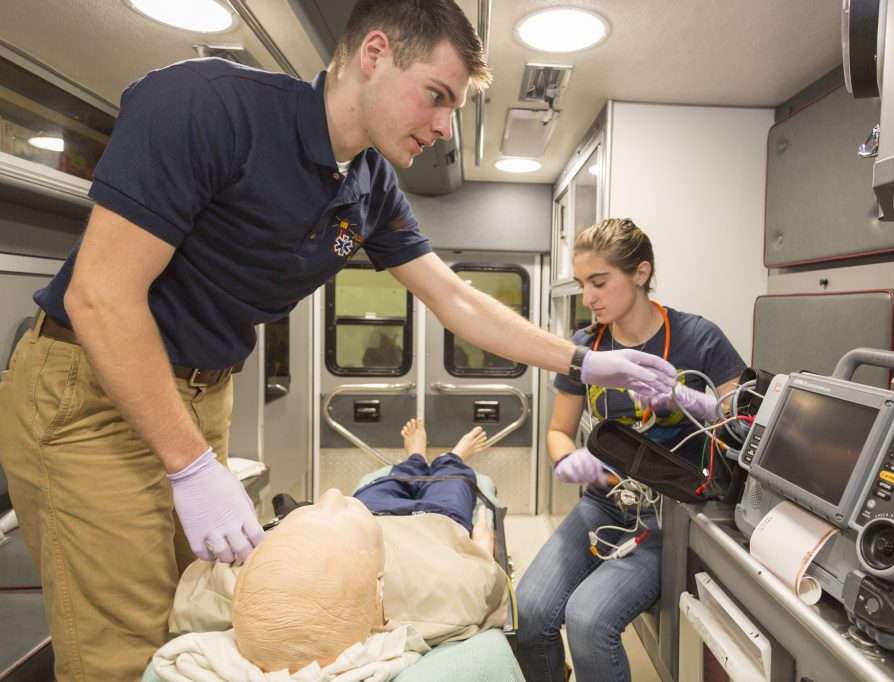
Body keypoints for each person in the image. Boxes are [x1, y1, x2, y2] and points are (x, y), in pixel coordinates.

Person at [0, 1, 679, 678]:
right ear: (374, 54)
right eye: (436, 97)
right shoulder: (206, 107)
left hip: (204, 391)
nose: (444, 128)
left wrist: (589, 360)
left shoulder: (369, 186)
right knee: (121, 651)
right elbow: (102, 296)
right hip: (90, 384)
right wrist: (191, 467)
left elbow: (455, 298)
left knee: (193, 620)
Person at [514, 218, 747, 682]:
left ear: (640, 273)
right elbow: (558, 430)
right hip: (606, 500)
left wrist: (687, 399)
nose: (588, 298)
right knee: (531, 612)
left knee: (587, 620)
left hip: (671, 515)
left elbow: (744, 429)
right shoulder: (587, 347)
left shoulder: (697, 338)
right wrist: (567, 459)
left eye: (599, 282)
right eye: (582, 284)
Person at [150, 420, 512, 680]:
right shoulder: (442, 588)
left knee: (387, 481)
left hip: (370, 514)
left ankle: (414, 456)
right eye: (335, 506)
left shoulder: (240, 589)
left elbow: (198, 593)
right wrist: (480, 549)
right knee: (451, 482)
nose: (332, 495)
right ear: (378, 590)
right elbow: (486, 584)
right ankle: (454, 456)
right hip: (430, 524)